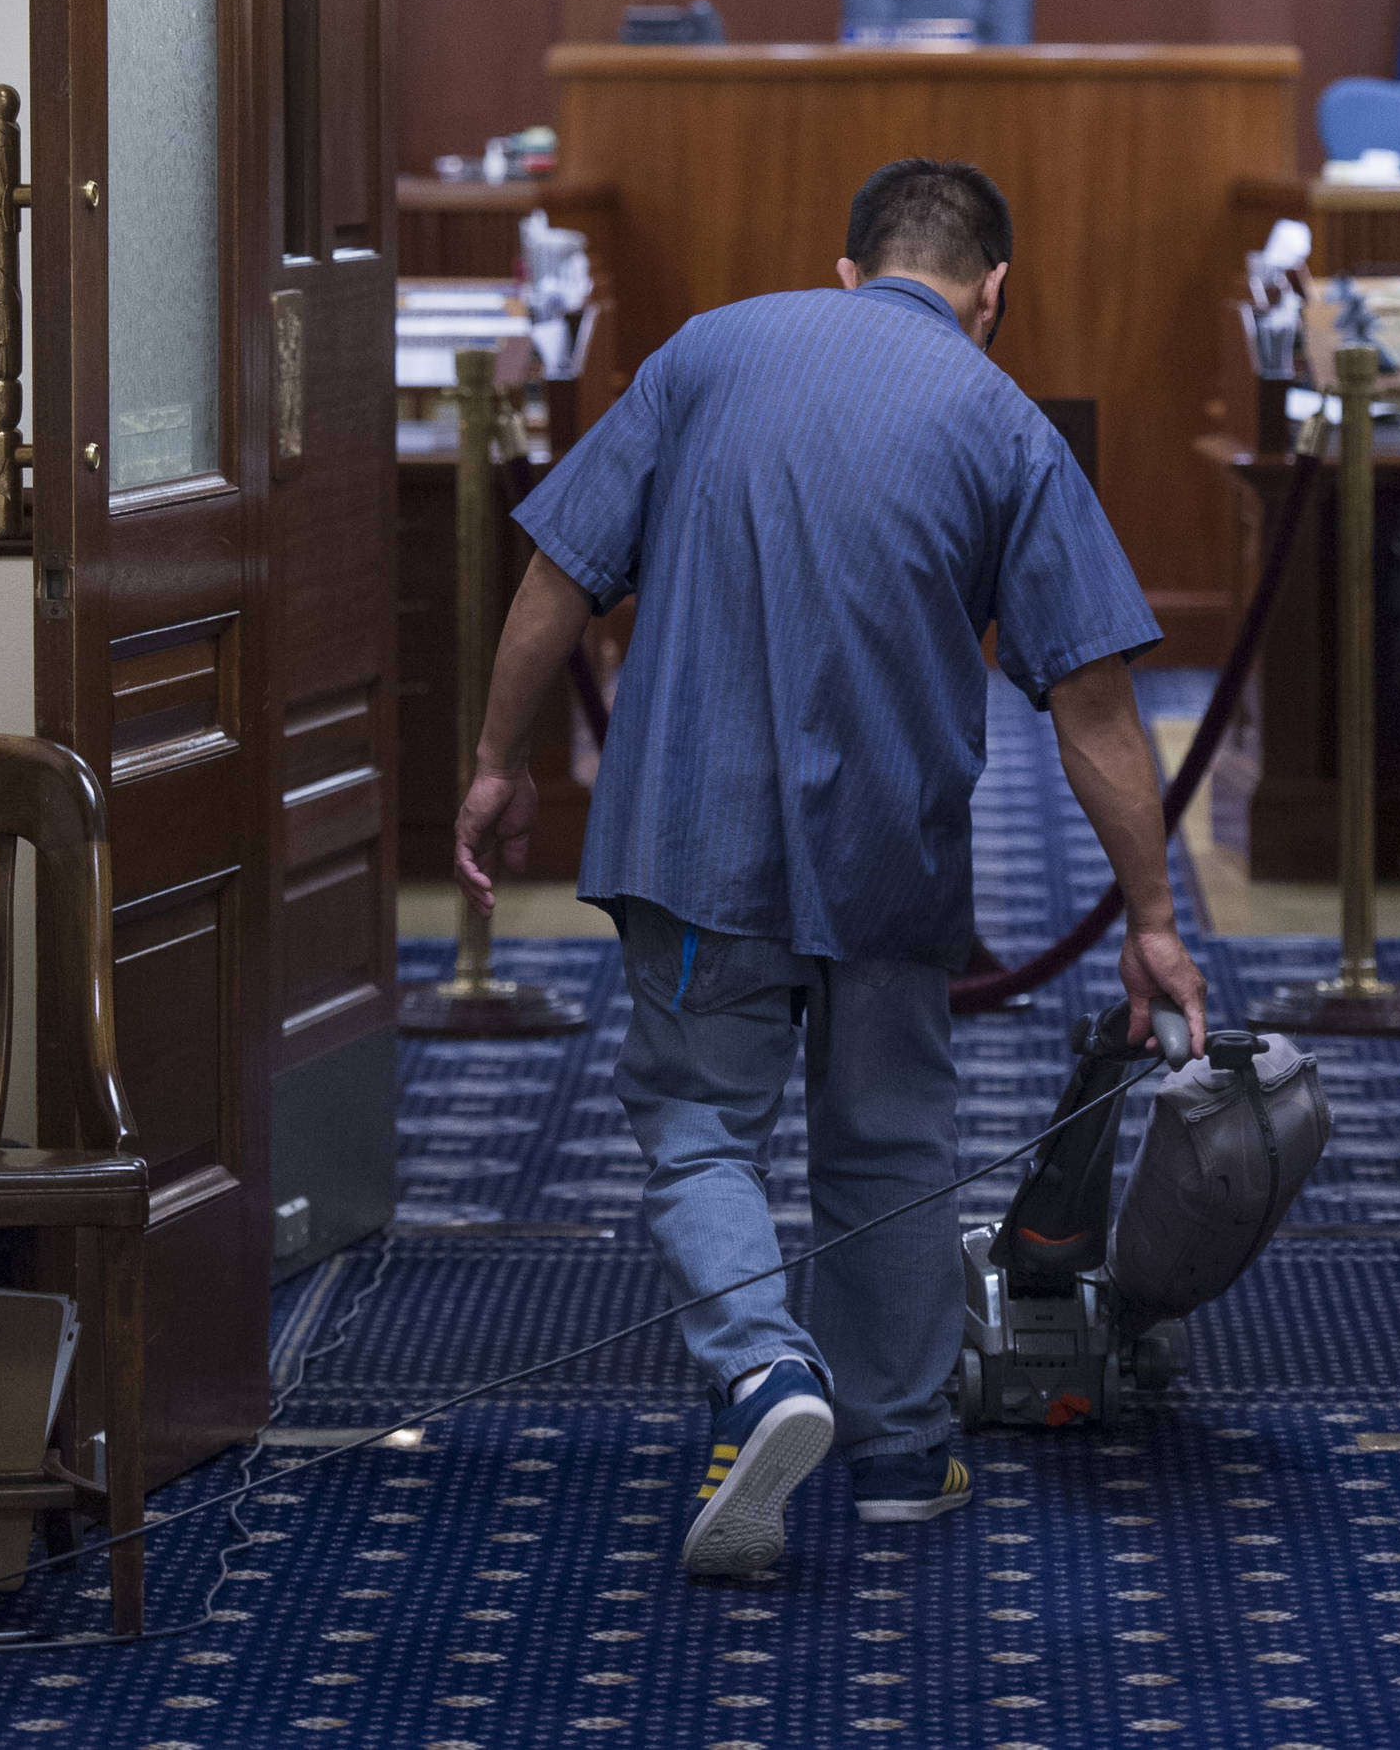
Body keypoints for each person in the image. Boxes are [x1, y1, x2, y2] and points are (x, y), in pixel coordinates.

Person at [452, 156, 1207, 1580]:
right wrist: (1156, 921)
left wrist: (500, 764)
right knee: (892, 1138)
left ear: (847, 268)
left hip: (692, 834)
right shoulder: (1007, 421)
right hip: (889, 842)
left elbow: (559, 572)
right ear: (995, 293)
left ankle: (760, 1372)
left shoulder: (706, 352)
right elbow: (1097, 710)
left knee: (696, 1126)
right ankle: (901, 1458)